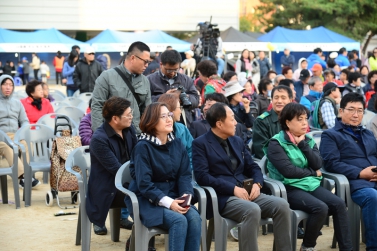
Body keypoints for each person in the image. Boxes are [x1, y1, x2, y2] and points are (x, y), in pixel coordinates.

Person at [192, 102, 292, 251]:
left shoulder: (237, 140)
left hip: (247, 191)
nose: (236, 123)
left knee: (282, 206)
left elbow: (252, 166)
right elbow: (202, 177)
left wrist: (258, 184)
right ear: (219, 124)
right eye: (232, 119)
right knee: (252, 210)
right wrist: (232, 189)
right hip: (222, 197)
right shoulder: (200, 144)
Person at [265, 103, 352, 251]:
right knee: (320, 208)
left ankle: (347, 249)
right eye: (300, 119)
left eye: (306, 119)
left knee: (339, 204)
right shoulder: (276, 143)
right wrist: (312, 173)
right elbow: (289, 171)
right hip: (288, 188)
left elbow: (318, 163)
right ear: (287, 122)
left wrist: (303, 146)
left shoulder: (308, 140)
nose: (305, 123)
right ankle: (308, 246)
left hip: (309, 184)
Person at [125, 102, 202, 251]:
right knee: (179, 220)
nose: (169, 119)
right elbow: (144, 184)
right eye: (163, 116)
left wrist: (186, 196)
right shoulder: (143, 147)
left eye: (170, 115)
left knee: (194, 217)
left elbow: (184, 175)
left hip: (174, 196)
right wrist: (169, 203)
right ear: (152, 121)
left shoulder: (177, 143)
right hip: (147, 200)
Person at [320, 92, 377, 251]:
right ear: (341, 111)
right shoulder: (330, 135)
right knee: (373, 197)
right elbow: (331, 163)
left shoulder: (367, 133)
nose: (355, 114)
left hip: (374, 178)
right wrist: (360, 173)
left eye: (359, 110)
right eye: (351, 109)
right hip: (353, 183)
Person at [86, 97, 137, 235]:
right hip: (108, 186)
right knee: (143, 192)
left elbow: (138, 154)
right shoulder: (99, 139)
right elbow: (117, 170)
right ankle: (144, 232)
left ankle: (148, 226)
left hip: (127, 179)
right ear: (115, 119)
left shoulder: (129, 129)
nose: (131, 117)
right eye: (128, 114)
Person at [92, 41, 151, 134]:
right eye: (145, 61)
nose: (147, 65)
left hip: (137, 136)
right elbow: (97, 107)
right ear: (133, 58)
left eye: (149, 62)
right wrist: (100, 135)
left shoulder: (145, 81)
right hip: (113, 136)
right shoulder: (106, 77)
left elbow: (147, 111)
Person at [0, 75, 40, 188]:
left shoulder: (17, 103)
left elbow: (24, 121)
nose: (8, 87)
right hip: (0, 138)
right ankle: (24, 177)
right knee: (6, 147)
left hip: (14, 135)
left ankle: (25, 177)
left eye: (10, 85)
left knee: (26, 144)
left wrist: (21, 133)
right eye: (5, 84)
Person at [148, 49, 199, 129]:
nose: (172, 73)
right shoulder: (150, 80)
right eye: (168, 70)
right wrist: (165, 97)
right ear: (161, 64)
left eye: (176, 70)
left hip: (183, 124)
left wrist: (184, 98)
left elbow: (196, 99)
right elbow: (145, 102)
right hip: (159, 125)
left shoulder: (186, 80)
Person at [252, 85, 292, 159]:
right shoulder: (261, 121)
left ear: (290, 100)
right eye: (276, 98)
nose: (279, 101)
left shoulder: (294, 119)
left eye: (283, 98)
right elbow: (262, 151)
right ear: (272, 100)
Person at [157, 93, 194, 169]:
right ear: (170, 110)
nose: (180, 111)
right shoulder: (153, 135)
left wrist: (188, 169)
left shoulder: (182, 128)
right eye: (179, 108)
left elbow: (192, 152)